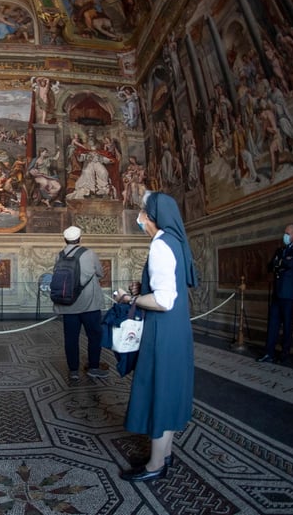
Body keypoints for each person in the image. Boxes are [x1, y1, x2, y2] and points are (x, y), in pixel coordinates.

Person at [118, 191, 196, 482]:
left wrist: (129, 299)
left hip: (162, 330)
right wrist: (144, 288)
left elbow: (164, 301)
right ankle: (163, 454)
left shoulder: (161, 245)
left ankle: (154, 466)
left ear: (151, 216)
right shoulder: (174, 241)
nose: (139, 217)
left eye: (142, 211)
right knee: (169, 390)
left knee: (159, 391)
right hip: (177, 329)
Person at [52, 226, 107, 380]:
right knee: (94, 336)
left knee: (71, 338)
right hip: (90, 305)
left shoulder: (60, 255)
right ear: (80, 238)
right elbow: (101, 273)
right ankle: (93, 368)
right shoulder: (89, 253)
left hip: (68, 304)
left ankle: (73, 371)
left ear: (65, 239)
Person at [257, 224, 293, 364]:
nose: (285, 235)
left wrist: (280, 262)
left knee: (287, 326)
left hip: (289, 294)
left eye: (288, 233)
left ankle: (284, 355)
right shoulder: (280, 250)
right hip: (277, 292)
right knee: (272, 324)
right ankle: (269, 353)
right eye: (285, 233)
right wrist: (281, 263)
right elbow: (270, 266)